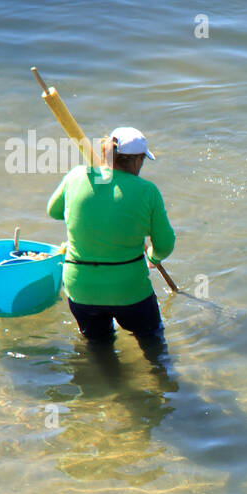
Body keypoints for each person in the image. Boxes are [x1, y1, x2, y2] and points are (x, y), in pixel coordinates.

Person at [46, 127, 175, 354]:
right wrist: (152, 257)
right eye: (142, 160)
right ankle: (159, 384)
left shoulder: (77, 176)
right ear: (135, 161)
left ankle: (106, 385)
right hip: (130, 291)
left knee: (98, 350)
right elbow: (165, 244)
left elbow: (54, 211)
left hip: (81, 288)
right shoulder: (147, 191)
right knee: (153, 346)